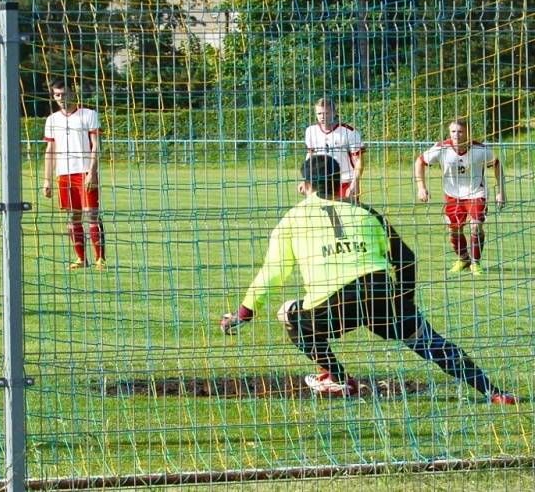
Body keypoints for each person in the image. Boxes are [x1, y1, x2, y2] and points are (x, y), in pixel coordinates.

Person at [221, 154, 516, 405]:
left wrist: (243, 314)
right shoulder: (366, 212)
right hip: (379, 294)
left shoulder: (292, 219)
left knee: (289, 314)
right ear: (341, 181)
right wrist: (404, 299)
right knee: (431, 343)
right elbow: (407, 258)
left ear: (306, 186)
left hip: (333, 304)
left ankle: (337, 379)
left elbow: (272, 273)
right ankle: (494, 392)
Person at [415, 118, 505, 276]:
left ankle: (476, 263)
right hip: (452, 195)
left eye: (460, 131)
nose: (456, 135)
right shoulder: (441, 148)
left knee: (475, 226)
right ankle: (463, 259)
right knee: (454, 230)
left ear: (468, 132)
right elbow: (419, 162)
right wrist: (421, 187)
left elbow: (497, 165)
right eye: (453, 131)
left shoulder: (480, 149)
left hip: (476, 193)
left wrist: (501, 191)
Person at [41, 79, 106, 270]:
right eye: (57, 95)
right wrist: (47, 179)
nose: (61, 98)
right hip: (64, 174)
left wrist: (92, 172)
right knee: (73, 217)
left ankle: (100, 258)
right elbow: (50, 149)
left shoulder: (88, 114)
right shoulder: (52, 120)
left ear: (73, 93)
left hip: (85, 171)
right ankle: (81, 259)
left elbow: (96, 145)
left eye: (65, 93)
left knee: (91, 215)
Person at [298, 97, 364, 200]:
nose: (322, 117)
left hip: (344, 182)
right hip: (319, 184)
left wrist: (355, 182)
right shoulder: (310, 131)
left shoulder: (349, 132)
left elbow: (358, 160)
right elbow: (310, 157)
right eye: (319, 114)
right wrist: (305, 180)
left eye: (326, 113)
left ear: (334, 113)